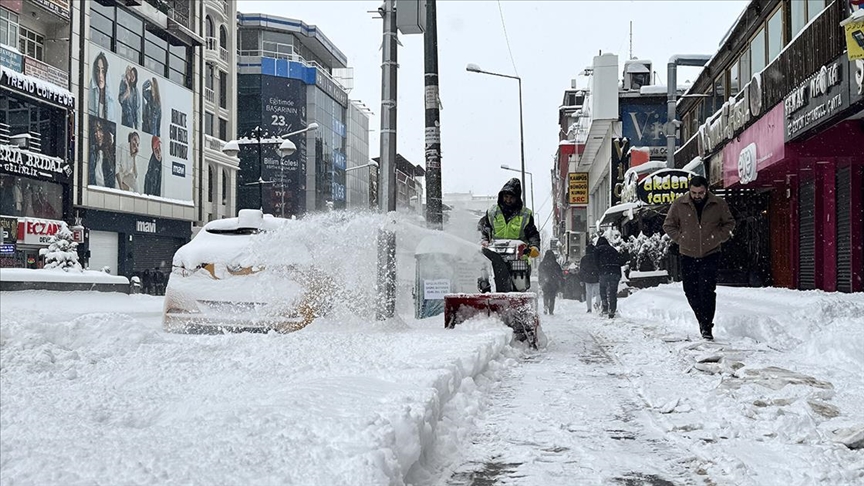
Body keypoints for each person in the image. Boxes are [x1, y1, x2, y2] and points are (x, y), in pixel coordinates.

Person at [663, 175, 735, 340]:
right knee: (690, 291)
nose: (697, 196)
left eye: (700, 192)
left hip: (711, 253)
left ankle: (707, 326)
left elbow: (729, 223)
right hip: (687, 253)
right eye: (694, 192)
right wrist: (681, 238)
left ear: (706, 190)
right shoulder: (679, 204)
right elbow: (668, 225)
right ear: (689, 190)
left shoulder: (718, 204)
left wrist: (718, 237)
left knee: (707, 290)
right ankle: (702, 320)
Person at [477, 178, 541, 289]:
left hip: (518, 256)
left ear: (517, 198)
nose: (508, 200)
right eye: (506, 197)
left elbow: (532, 234)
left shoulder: (525, 215)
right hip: (495, 253)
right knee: (483, 266)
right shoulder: (492, 212)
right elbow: (485, 228)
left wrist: (534, 247)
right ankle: (486, 288)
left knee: (518, 285)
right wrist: (484, 240)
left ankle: (518, 298)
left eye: (511, 197)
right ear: (501, 196)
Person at [593, 236, 623, 318]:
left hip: (604, 271)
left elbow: (595, 263)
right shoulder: (613, 250)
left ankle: (605, 306)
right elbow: (620, 260)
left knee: (603, 289)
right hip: (615, 272)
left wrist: (599, 271)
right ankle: (612, 310)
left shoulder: (598, 250)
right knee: (613, 291)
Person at [88, 52, 116, 122]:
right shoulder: (90, 93)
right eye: (98, 70)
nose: (100, 75)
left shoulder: (111, 99)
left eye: (103, 71)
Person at [88, 119, 115, 188]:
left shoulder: (110, 152)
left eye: (100, 130)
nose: (97, 135)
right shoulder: (92, 150)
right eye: (95, 131)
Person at [538, 250, 564, 315]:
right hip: (553, 283)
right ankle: (551, 310)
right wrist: (560, 280)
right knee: (552, 296)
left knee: (546, 295)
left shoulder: (542, 264)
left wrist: (541, 281)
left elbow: (540, 273)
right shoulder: (555, 264)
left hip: (545, 282)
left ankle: (545, 305)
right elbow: (560, 273)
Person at [579, 244, 600, 313]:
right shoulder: (597, 257)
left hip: (587, 278)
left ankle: (589, 308)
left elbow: (581, 269)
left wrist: (581, 279)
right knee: (598, 293)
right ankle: (597, 304)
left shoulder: (584, 258)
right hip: (596, 278)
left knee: (588, 294)